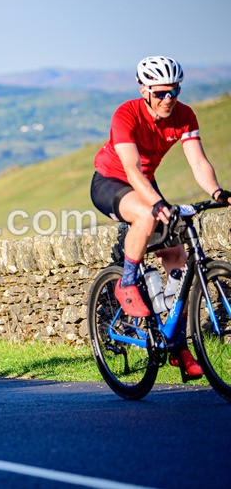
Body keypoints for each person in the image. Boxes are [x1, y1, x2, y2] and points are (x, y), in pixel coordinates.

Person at [91, 55, 231, 379]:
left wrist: (216, 192)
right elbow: (131, 169)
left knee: (177, 253)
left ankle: (176, 342)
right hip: (113, 181)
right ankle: (126, 283)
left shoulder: (184, 115)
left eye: (174, 92)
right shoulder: (126, 114)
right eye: (161, 93)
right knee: (146, 216)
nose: (169, 99)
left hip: (146, 184)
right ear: (144, 90)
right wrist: (155, 204)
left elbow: (198, 162)